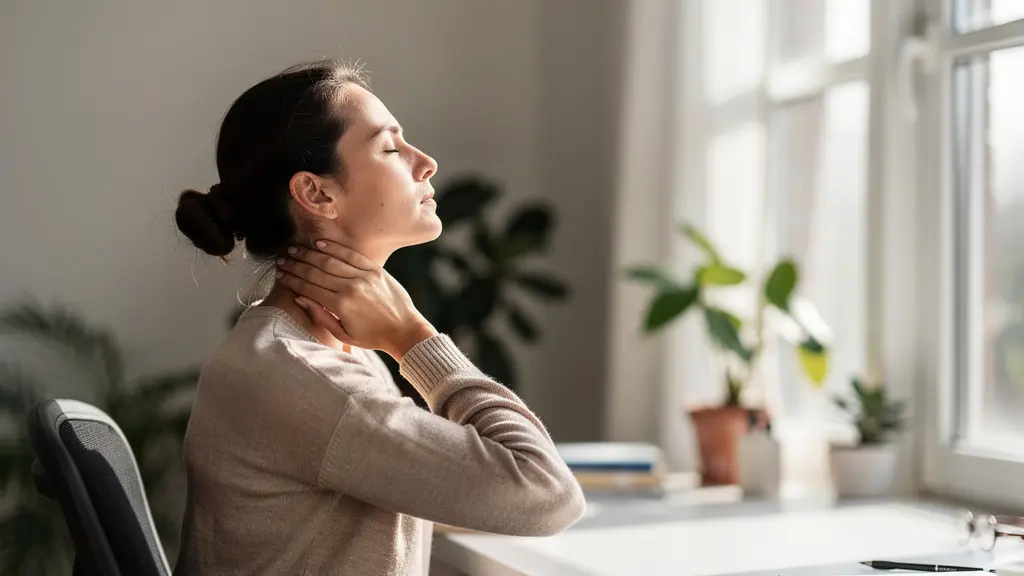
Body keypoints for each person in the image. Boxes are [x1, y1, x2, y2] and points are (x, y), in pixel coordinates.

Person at [171, 60, 586, 576]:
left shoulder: (327, 350)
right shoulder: (297, 375)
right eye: (390, 148)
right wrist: (414, 337)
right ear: (317, 193)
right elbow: (548, 495)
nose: (426, 163)